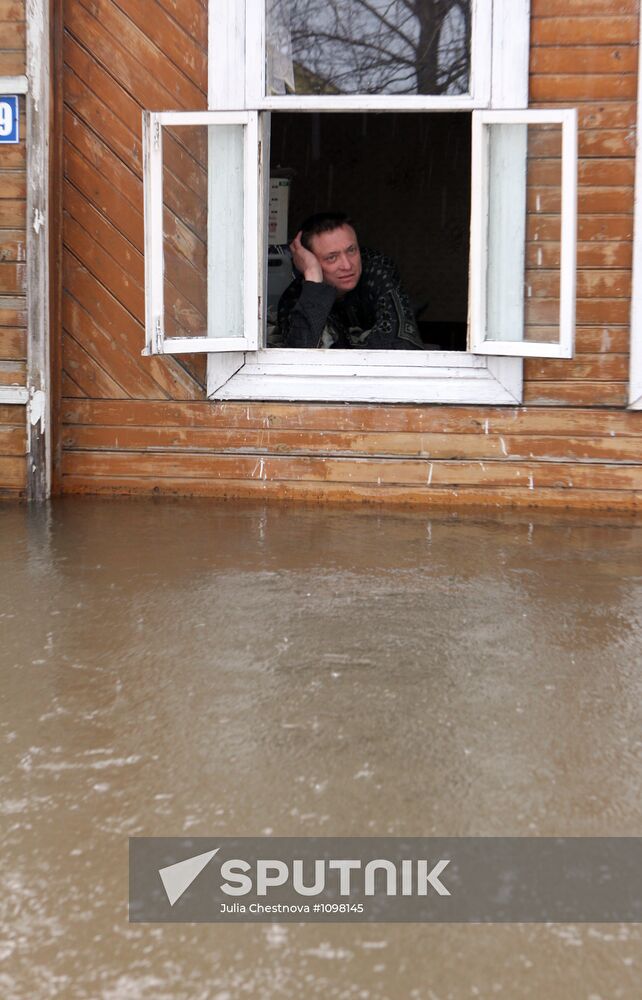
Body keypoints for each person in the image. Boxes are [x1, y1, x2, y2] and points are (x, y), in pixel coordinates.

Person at [277, 212, 424, 350]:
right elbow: (299, 359)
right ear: (310, 261)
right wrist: (313, 277)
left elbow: (401, 346)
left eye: (351, 250)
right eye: (332, 257)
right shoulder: (296, 297)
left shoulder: (376, 268)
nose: (347, 266)